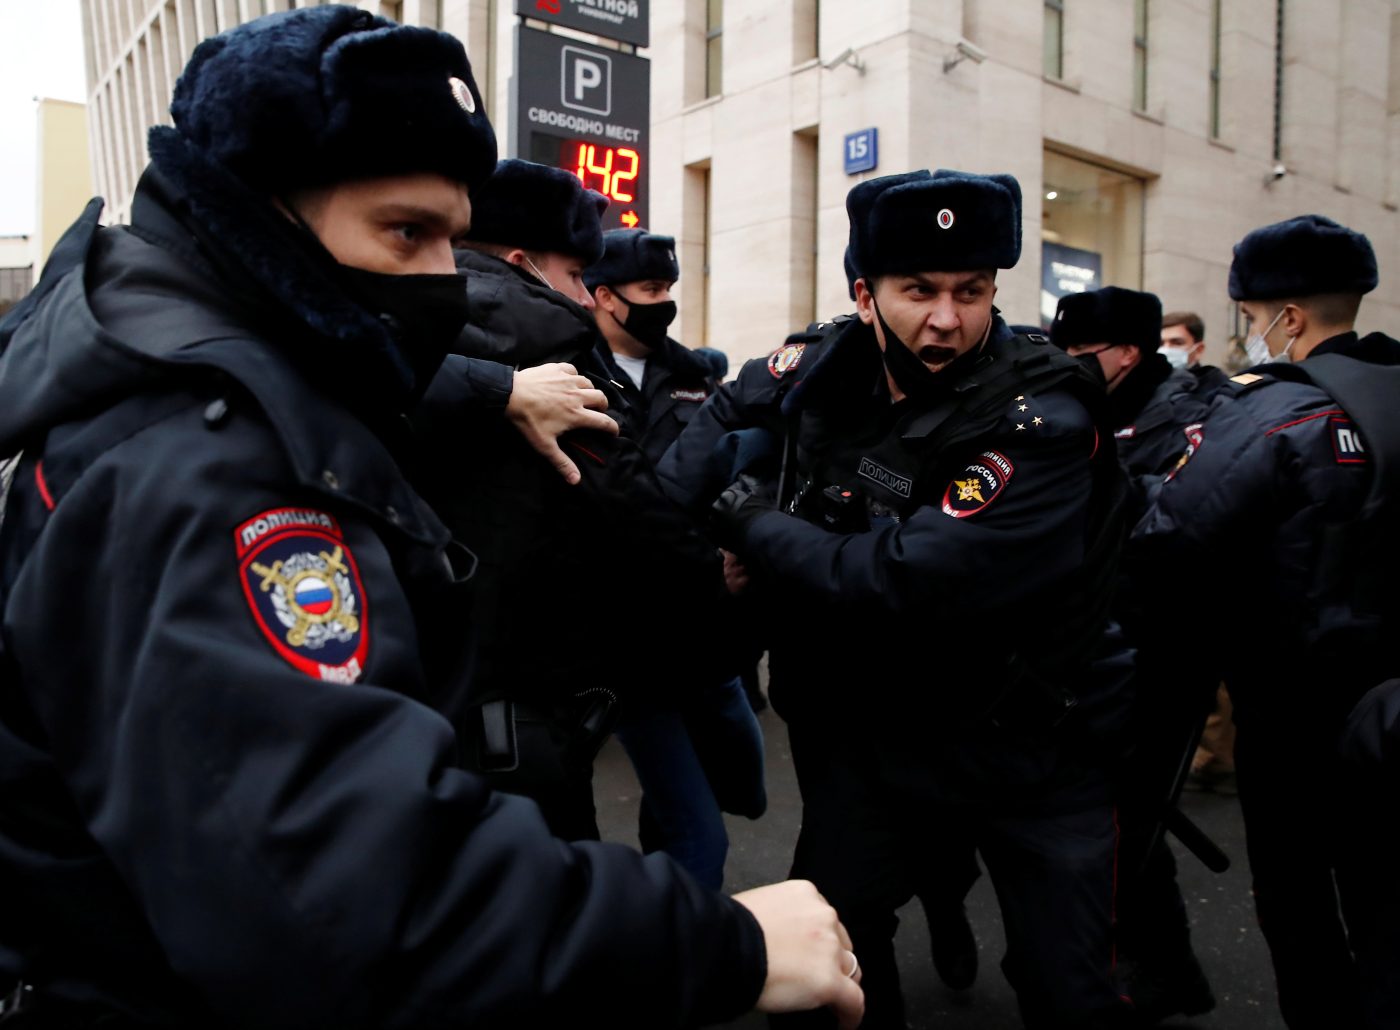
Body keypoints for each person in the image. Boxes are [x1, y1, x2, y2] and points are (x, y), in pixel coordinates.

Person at [0, 9, 864, 1027]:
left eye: (452, 239)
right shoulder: (205, 467)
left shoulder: (206, 382)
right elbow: (350, 905)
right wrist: (726, 941)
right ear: (251, 214)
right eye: (404, 232)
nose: (441, 282)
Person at [662, 168, 1135, 1029]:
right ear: (866, 293)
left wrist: (756, 528)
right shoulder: (826, 363)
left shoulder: (1041, 419)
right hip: (880, 736)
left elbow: (908, 578)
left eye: (972, 291)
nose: (947, 318)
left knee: (1070, 988)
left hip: (1029, 745)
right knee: (824, 964)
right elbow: (715, 428)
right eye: (919, 290)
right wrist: (718, 547)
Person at [1133, 213, 1400, 1028]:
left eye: (1251, 320)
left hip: (1298, 709)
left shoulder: (1276, 412)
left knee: (1297, 897)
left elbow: (1172, 535)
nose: (1252, 337)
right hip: (1390, 705)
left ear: (1288, 317)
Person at [1050, 287, 1218, 1024]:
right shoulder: (1082, 407)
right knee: (1105, 816)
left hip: (1163, 655)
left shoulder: (1187, 418)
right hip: (1093, 648)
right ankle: (1148, 960)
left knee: (1131, 821)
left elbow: (1177, 523)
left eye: (1084, 355)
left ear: (1129, 352)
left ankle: (1161, 967)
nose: (1071, 367)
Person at [585, 227, 766, 888]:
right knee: (701, 839)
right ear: (604, 297)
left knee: (729, 790)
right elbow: (611, 510)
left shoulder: (694, 375)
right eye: (650, 290)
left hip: (705, 633)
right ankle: (684, 966)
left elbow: (731, 470)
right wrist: (698, 561)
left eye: (669, 288)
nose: (664, 302)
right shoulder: (573, 375)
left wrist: (737, 540)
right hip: (630, 646)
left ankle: (663, 913)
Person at [1159, 310, 1230, 394]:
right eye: (1160, 344)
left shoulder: (1215, 388)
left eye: (1177, 343)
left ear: (1199, 349)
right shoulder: (1148, 384)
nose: (1166, 349)